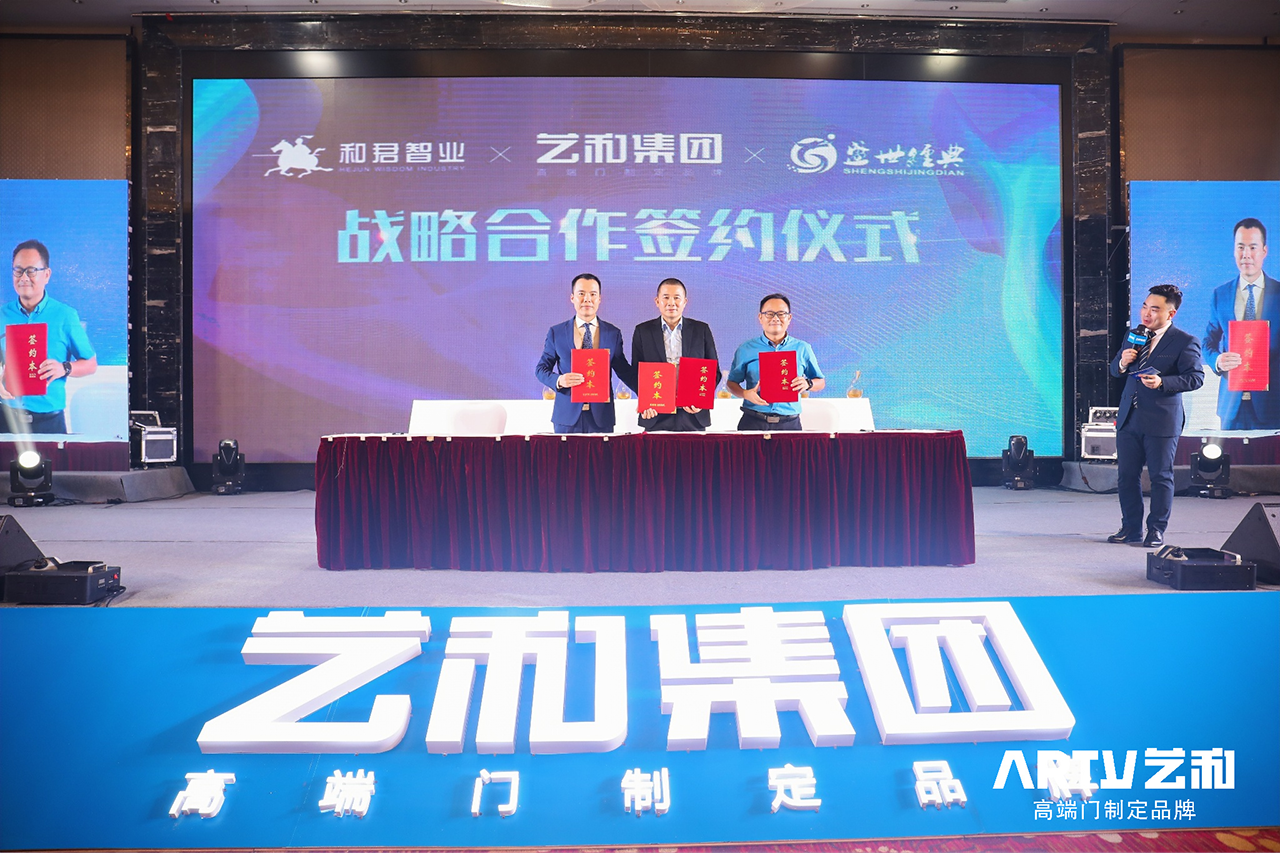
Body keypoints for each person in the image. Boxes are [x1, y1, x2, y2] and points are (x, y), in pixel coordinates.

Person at [1109, 284, 1204, 548]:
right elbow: (1115, 370)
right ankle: (1131, 528)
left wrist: (1163, 382)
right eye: (1144, 307)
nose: (1146, 314)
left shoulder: (1184, 341)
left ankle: (1156, 530)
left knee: (1160, 477)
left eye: (1154, 309)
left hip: (1161, 420)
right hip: (1129, 417)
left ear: (1170, 313)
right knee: (1126, 477)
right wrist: (1122, 362)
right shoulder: (1134, 335)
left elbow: (1195, 378)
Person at [1, 240, 98, 434]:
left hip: (49, 422)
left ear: (47, 274)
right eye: (18, 271)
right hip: (6, 419)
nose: (24, 277)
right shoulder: (2, 315)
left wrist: (64, 368)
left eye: (31, 271)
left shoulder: (65, 315)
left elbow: (90, 364)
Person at [535, 273, 635, 434]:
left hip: (601, 417)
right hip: (567, 417)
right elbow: (541, 369)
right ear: (572, 298)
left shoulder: (613, 333)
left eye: (593, 294)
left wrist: (647, 396)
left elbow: (624, 371)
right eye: (581, 294)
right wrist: (559, 380)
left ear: (599, 299)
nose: (587, 299)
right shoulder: (557, 332)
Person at [1203, 218, 1277, 430]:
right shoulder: (1220, 294)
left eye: (1253, 247)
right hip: (1231, 405)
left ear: (1264, 251)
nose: (1246, 254)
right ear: (1234, 251)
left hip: (1272, 404)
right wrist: (1218, 360)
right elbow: (1208, 341)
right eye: (1240, 247)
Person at [631, 278, 721, 432]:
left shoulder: (701, 330)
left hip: (693, 414)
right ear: (657, 301)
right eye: (666, 297)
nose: (671, 303)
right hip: (656, 415)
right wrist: (646, 402)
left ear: (685, 302)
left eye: (677, 298)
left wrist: (701, 401)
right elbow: (636, 373)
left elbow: (714, 373)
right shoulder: (643, 331)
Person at [726, 293, 824, 431]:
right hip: (753, 421)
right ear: (760, 317)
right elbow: (731, 383)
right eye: (769, 314)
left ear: (789, 318)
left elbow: (820, 382)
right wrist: (745, 394)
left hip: (789, 424)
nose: (776, 318)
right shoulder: (746, 349)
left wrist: (808, 384)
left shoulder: (802, 348)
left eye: (781, 314)